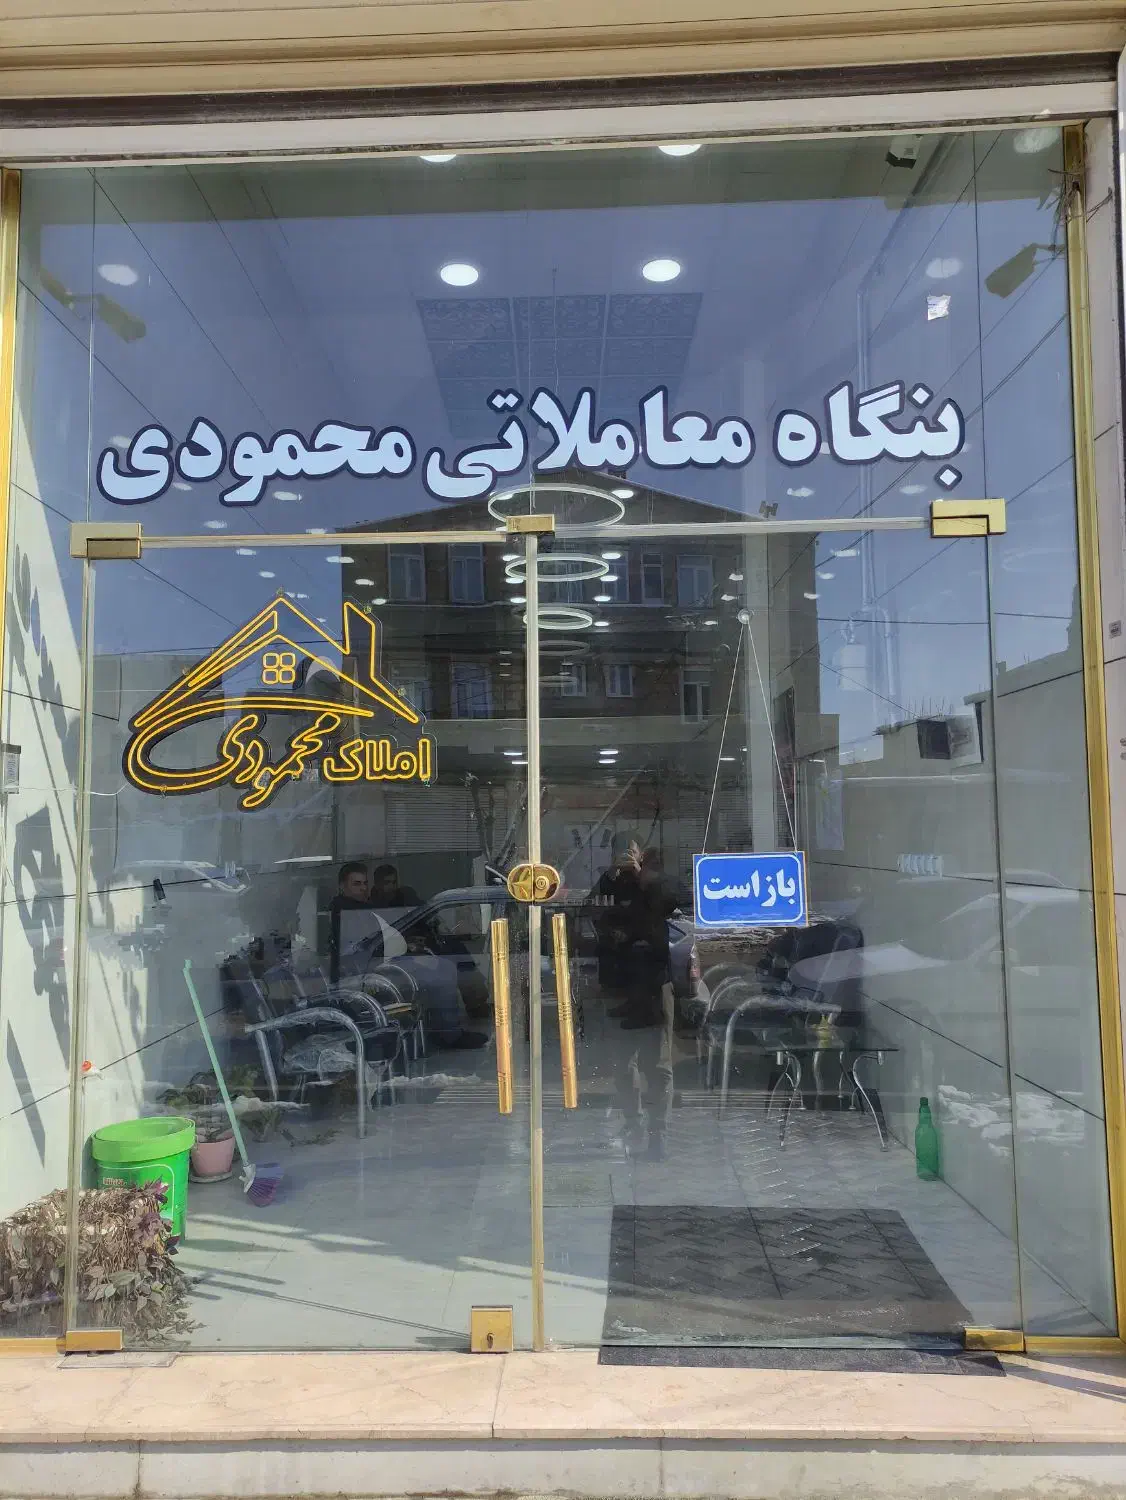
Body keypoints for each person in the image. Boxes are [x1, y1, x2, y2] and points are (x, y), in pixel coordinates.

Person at [588, 833, 642, 1000]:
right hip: (614, 938)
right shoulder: (611, 877)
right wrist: (612, 871)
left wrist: (638, 872)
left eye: (631, 852)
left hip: (642, 937)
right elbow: (592, 901)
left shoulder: (647, 875)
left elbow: (656, 900)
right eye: (621, 852)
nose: (626, 857)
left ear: (641, 855)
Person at [328, 861, 371, 982]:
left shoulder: (367, 909)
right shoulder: (339, 911)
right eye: (357, 884)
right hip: (348, 975)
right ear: (342, 886)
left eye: (365, 883)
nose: (363, 888)